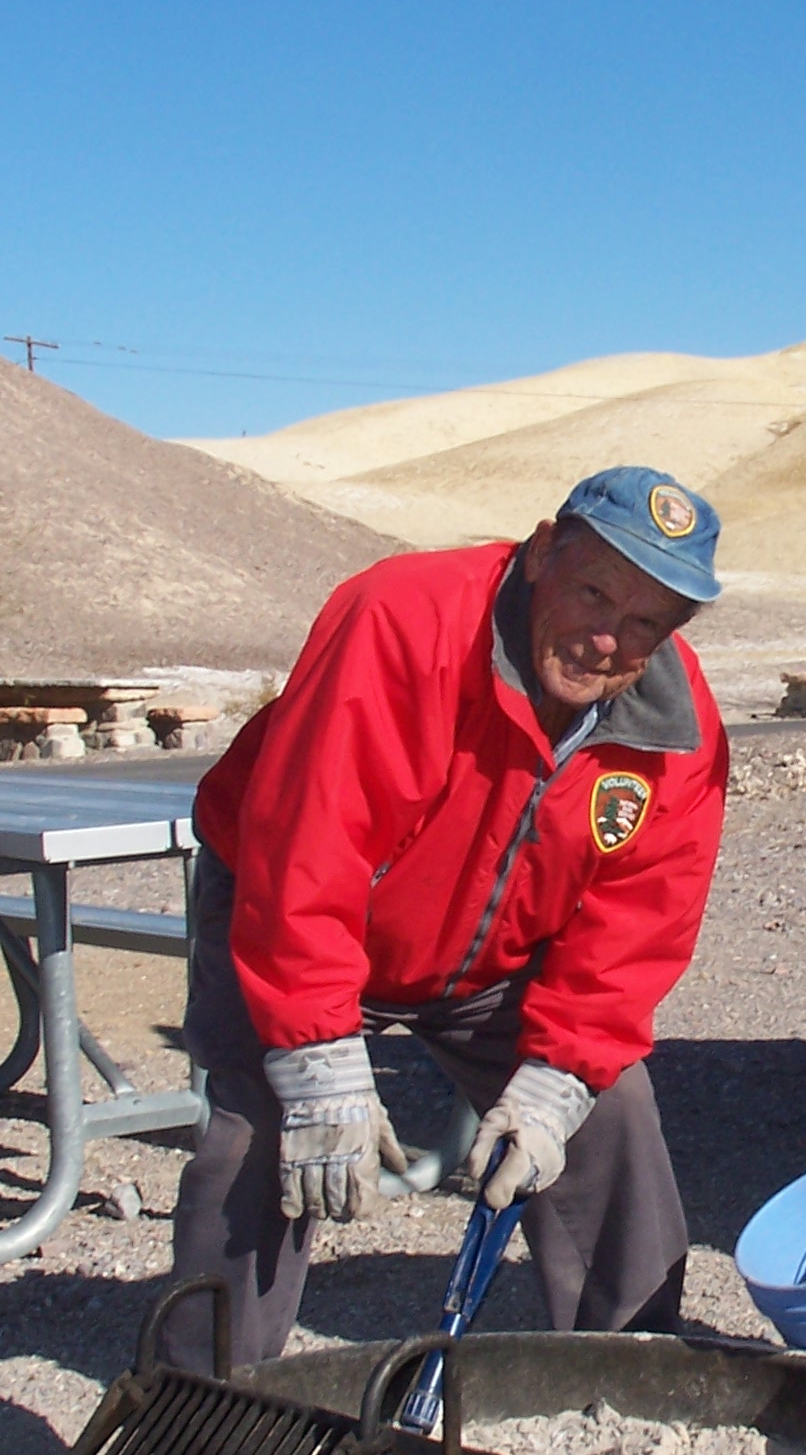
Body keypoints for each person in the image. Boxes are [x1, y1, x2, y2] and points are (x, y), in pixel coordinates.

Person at [160, 466, 730, 1371]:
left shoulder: (677, 727)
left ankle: (637, 1382)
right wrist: (318, 1060)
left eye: (645, 624)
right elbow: (307, 841)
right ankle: (198, 1422)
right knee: (263, 1131)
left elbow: (635, 926)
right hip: (294, 913)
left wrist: (556, 1084)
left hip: (489, 965)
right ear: (543, 550)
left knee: (607, 1113)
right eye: (592, 591)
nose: (605, 638)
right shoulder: (401, 620)